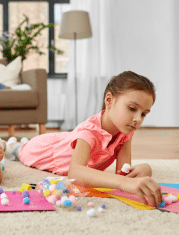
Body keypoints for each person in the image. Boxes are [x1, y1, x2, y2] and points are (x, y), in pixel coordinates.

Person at [8, 71, 163, 207]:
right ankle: (13, 145)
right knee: (20, 151)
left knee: (32, 144)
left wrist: (144, 169)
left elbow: (122, 174)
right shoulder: (89, 131)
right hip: (45, 149)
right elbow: (75, 172)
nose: (137, 119)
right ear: (109, 100)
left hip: (67, 140)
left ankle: (18, 143)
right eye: (132, 109)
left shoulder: (126, 132)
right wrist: (124, 183)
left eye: (143, 114)